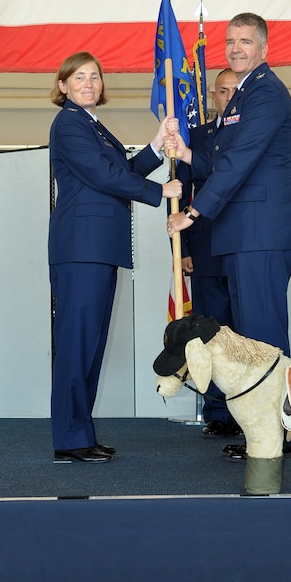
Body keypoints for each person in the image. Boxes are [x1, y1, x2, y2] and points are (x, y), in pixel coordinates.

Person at [166, 13, 291, 458]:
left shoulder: (265, 92)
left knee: (263, 336)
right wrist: (186, 152)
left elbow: (240, 163)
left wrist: (193, 211)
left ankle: (278, 435)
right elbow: (222, 160)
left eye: (245, 41)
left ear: (264, 48)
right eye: (231, 41)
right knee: (251, 337)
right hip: (244, 233)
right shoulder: (243, 94)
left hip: (260, 231)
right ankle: (262, 434)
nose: (235, 48)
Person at [49, 51, 181, 462]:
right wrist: (161, 192)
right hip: (81, 249)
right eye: (80, 78)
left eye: (95, 77)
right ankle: (71, 438)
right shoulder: (70, 125)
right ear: (63, 86)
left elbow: (120, 169)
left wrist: (158, 145)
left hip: (97, 248)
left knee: (89, 344)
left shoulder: (91, 125)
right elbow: (104, 176)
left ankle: (80, 433)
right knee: (77, 344)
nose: (89, 84)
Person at [178, 69, 241, 438]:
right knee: (209, 333)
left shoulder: (251, 133)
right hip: (203, 248)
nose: (229, 97)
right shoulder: (197, 138)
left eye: (236, 91)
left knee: (244, 333)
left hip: (242, 247)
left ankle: (247, 407)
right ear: (212, 97)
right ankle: (216, 410)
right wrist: (184, 248)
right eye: (222, 91)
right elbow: (181, 193)